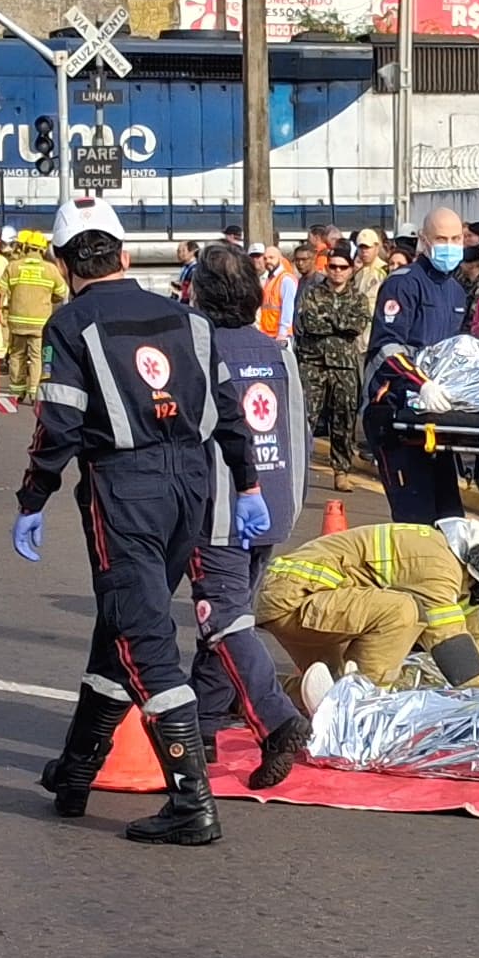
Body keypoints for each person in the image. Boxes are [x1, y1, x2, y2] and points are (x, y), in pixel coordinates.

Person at [16, 225, 258, 847]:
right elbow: (228, 410)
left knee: (144, 636)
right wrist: (248, 484)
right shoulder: (188, 320)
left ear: (66, 265)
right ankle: (75, 771)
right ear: (124, 258)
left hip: (125, 487)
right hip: (192, 484)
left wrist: (33, 496)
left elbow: (60, 422)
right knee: (122, 623)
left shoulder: (70, 325)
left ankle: (191, 803)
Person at [187, 244, 315, 789]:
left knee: (224, 620)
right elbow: (300, 431)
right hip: (276, 502)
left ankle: (277, 721)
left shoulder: (197, 352)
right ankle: (202, 726)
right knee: (227, 620)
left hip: (224, 505)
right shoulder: (278, 352)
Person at [259, 515, 479, 702]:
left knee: (323, 694)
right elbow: (450, 644)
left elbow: (476, 634)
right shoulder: (439, 564)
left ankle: (251, 694)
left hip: (311, 597)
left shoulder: (453, 572)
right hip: (298, 596)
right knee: (404, 612)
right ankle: (360, 705)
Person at [365, 206, 478, 523]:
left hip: (435, 416)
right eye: (442, 238)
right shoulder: (403, 284)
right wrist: (422, 383)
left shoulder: (456, 291)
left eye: (456, 238)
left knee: (450, 516)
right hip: (395, 412)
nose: (450, 245)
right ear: (424, 240)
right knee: (415, 517)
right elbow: (387, 347)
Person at [295, 242, 370, 469]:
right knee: (306, 416)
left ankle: (341, 468)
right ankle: (299, 465)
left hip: (344, 366)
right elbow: (310, 323)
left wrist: (329, 318)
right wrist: (339, 323)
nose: (337, 271)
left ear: (350, 269)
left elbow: (356, 325)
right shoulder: (312, 293)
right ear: (327, 268)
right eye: (333, 266)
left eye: (342, 267)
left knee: (344, 418)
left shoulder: (358, 298)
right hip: (313, 363)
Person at [0, 227, 62, 394]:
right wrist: (48, 300)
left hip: (17, 322)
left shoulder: (13, 267)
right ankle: (33, 391)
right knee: (37, 357)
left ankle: (17, 391)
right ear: (43, 250)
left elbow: (0, 290)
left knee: (17, 355)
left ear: (25, 248)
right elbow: (61, 293)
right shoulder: (50, 269)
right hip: (40, 324)